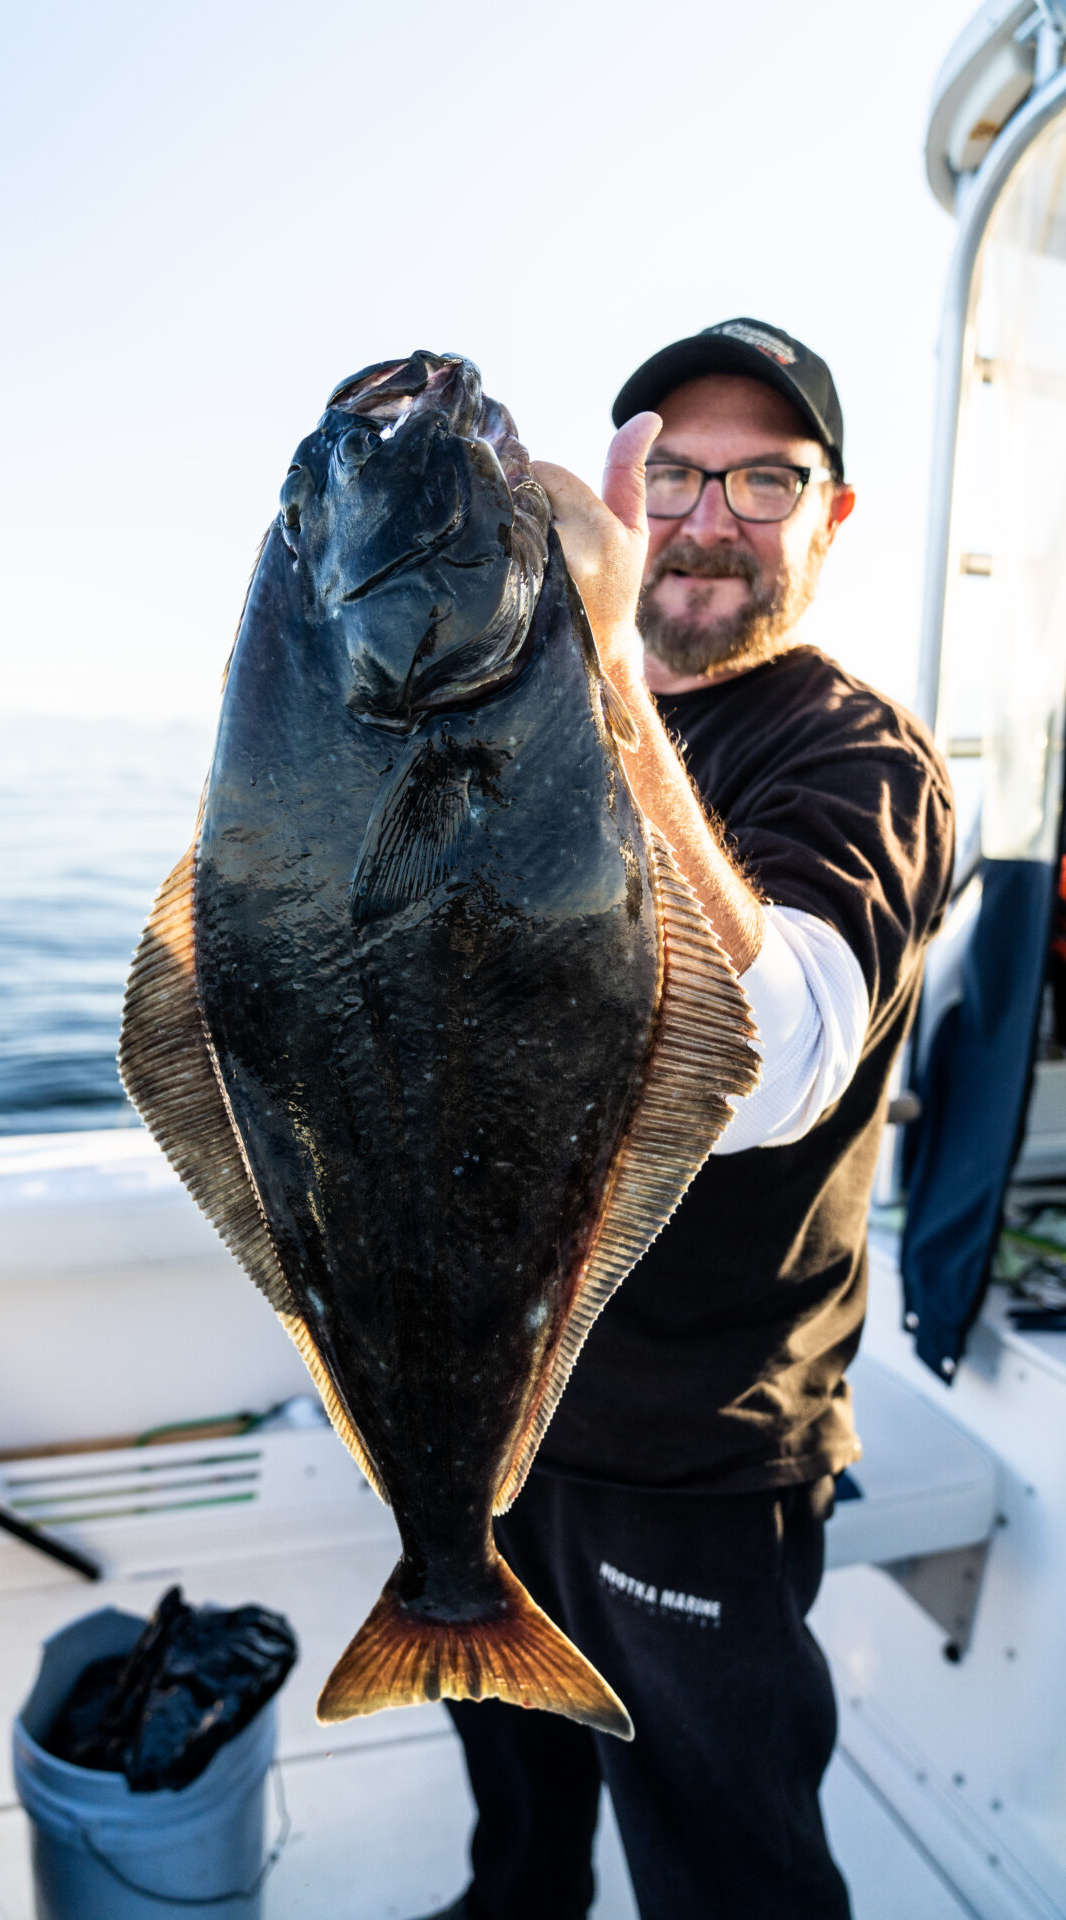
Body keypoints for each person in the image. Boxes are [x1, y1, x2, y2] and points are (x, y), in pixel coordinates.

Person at [416, 319, 955, 1920]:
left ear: (831, 517)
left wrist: (604, 681)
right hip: (487, 1410)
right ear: (618, 488)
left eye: (767, 480)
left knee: (727, 1865)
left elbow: (775, 1065)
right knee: (517, 1823)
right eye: (679, 474)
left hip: (694, 1455)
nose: (712, 518)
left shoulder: (858, 760)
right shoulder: (517, 724)